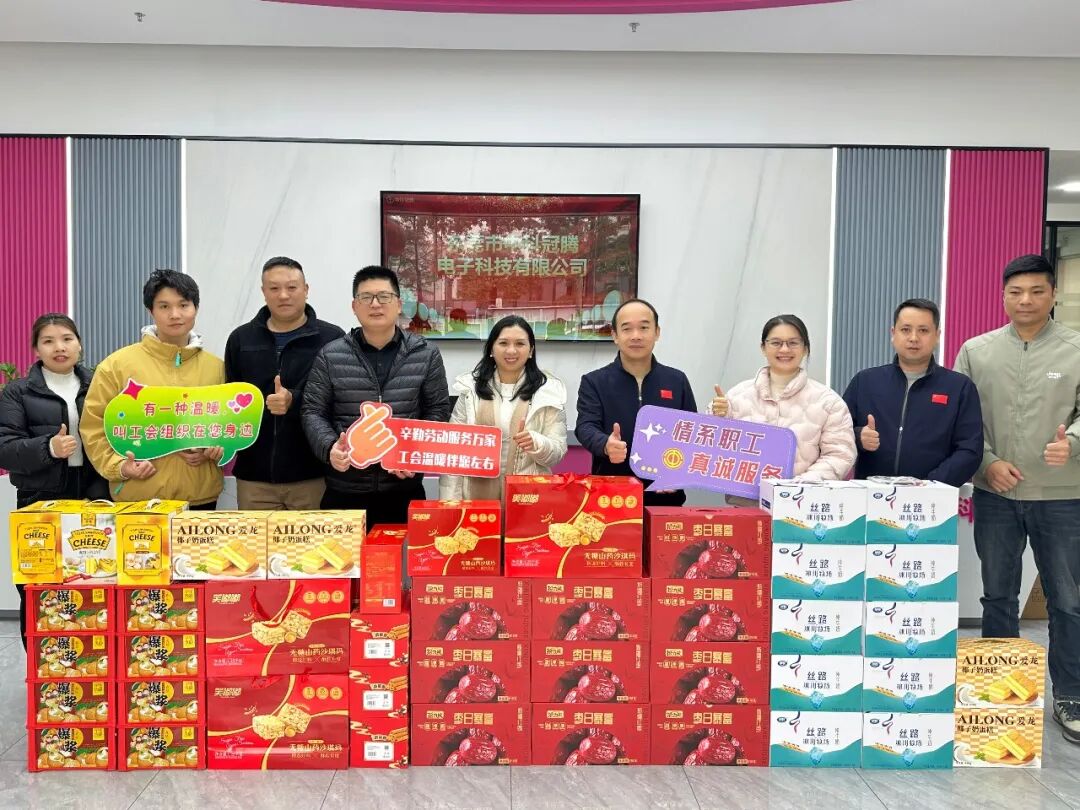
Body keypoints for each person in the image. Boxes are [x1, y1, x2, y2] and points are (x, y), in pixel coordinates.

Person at [954, 253, 1080, 744]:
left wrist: (1073, 442)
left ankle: (1070, 695)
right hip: (997, 495)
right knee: (998, 596)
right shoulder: (977, 351)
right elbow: (962, 421)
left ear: (1053, 295)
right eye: (1016, 292)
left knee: (1068, 601)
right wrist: (986, 462)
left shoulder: (1075, 348)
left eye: (1036, 291)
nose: (1026, 300)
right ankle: (999, 695)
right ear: (1004, 296)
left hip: (1062, 496)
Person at [302, 265, 451, 525]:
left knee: (404, 553)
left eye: (384, 296)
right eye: (366, 297)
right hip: (345, 490)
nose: (375, 304)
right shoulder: (331, 355)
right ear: (354, 306)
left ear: (398, 304)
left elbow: (438, 409)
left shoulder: (425, 353)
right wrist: (330, 447)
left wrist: (414, 455)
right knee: (345, 554)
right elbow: (313, 411)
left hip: (403, 490)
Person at [0, 314, 107, 648]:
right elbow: (5, 449)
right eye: (48, 341)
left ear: (80, 345)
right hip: (39, 502)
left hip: (94, 498)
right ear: (36, 349)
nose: (59, 347)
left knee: (94, 586)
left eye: (67, 339)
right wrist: (48, 447)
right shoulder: (17, 392)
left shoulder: (99, 385)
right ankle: (39, 669)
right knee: (37, 589)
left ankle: (88, 665)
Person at [80, 269, 224, 508]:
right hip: (138, 498)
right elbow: (93, 426)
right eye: (164, 306)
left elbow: (229, 425)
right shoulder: (117, 366)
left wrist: (216, 450)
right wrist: (120, 466)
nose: (175, 314)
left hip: (201, 497)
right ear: (151, 311)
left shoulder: (217, 368)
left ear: (195, 308)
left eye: (183, 305)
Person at [224, 256, 344, 510]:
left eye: (291, 287)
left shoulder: (332, 339)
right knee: (255, 539)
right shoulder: (240, 339)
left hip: (314, 475)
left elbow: (341, 401)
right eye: (274, 288)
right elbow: (229, 401)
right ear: (263, 292)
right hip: (254, 478)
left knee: (316, 538)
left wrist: (295, 400)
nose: (283, 295)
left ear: (306, 289)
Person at [842, 298, 983, 486]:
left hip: (932, 496)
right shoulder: (865, 382)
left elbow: (970, 449)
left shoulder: (959, 387)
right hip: (871, 495)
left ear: (937, 335)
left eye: (923, 330)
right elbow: (835, 435)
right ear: (893, 333)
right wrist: (858, 436)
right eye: (906, 330)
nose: (914, 338)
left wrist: (932, 484)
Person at [575, 298, 697, 506]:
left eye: (644, 327)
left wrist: (678, 473)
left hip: (665, 498)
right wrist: (605, 444)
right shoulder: (594, 381)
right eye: (627, 329)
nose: (636, 336)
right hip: (611, 498)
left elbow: (691, 433)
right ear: (615, 335)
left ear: (657, 332)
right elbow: (585, 426)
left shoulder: (677, 380)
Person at [710, 314, 855, 487]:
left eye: (793, 343)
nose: (785, 349)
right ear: (763, 348)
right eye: (776, 343)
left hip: (802, 499)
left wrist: (797, 486)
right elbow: (710, 446)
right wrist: (718, 417)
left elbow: (840, 454)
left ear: (805, 348)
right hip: (745, 501)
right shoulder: (737, 396)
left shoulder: (829, 402)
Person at [440, 316, 567, 500]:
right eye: (503, 343)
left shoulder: (548, 392)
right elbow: (453, 452)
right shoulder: (470, 390)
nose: (511, 350)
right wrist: (451, 504)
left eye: (520, 344)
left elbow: (557, 452)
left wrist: (537, 443)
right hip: (474, 499)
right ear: (491, 349)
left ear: (531, 350)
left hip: (527, 499)